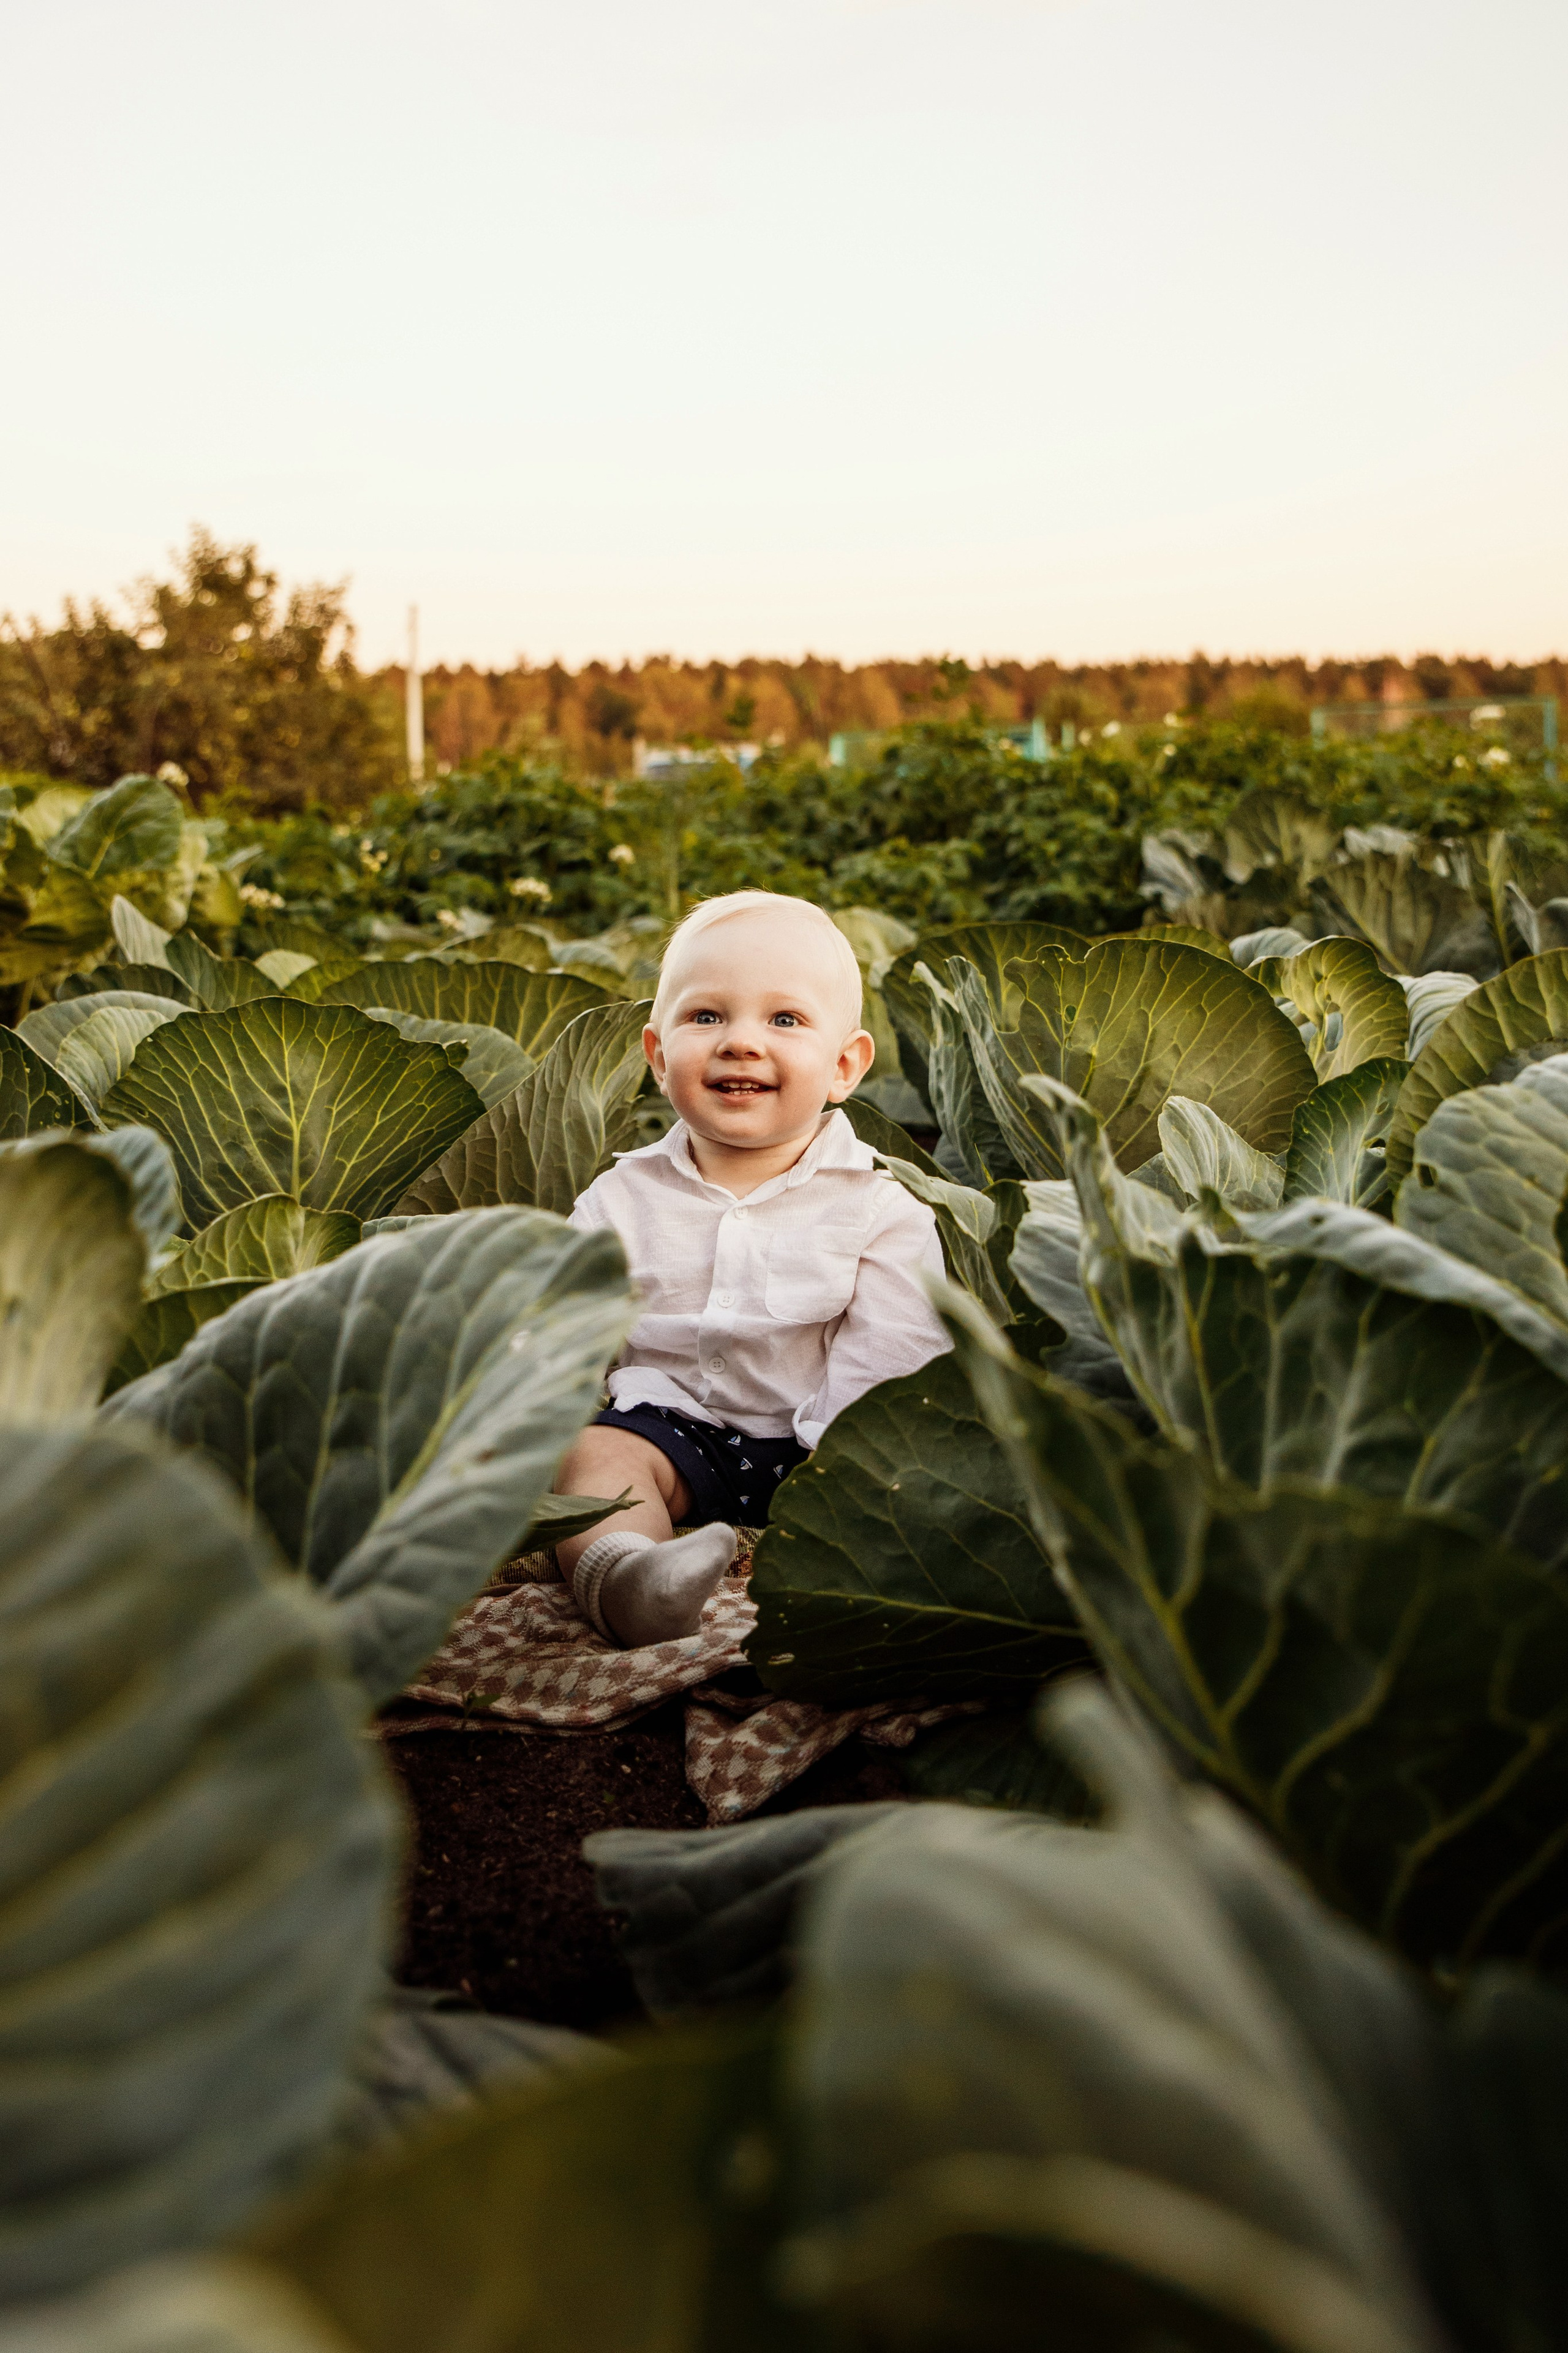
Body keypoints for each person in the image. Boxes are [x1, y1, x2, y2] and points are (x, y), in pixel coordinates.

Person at [554, 889, 951, 1648]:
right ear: (658, 1054)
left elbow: (894, 1358)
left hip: (818, 1453)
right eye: (706, 1017)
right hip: (668, 1433)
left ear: (844, 1066)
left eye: (784, 1019)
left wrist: (844, 1475)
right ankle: (629, 1578)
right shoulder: (619, 1198)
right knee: (595, 1456)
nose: (740, 1042)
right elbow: (560, 1326)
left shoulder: (881, 1210)